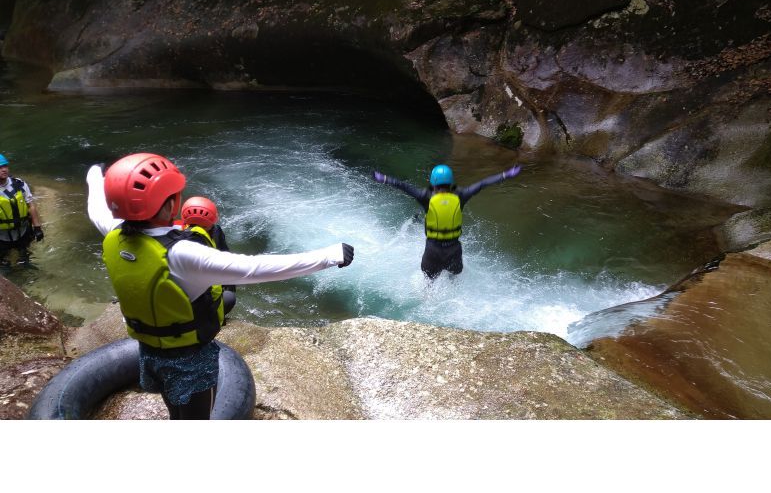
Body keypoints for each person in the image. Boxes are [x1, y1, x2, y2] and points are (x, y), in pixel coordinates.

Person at [87, 152, 354, 420]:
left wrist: (95, 175)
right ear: (170, 203)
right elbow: (255, 269)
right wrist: (330, 256)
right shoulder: (182, 255)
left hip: (149, 353)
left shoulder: (112, 234)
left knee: (175, 410)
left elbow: (96, 207)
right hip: (189, 361)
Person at [371, 163, 521, 279]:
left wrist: (384, 179)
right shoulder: (461, 195)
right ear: (450, 182)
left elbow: (402, 186)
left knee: (429, 282)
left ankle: (427, 302)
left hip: (432, 250)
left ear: (433, 182)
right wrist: (505, 175)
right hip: (453, 249)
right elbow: (482, 184)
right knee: (454, 277)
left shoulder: (425, 196)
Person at [178, 196, 237, 315]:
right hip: (201, 303)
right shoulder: (216, 231)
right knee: (229, 297)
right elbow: (226, 258)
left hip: (178, 301)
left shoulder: (174, 234)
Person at [0, 153, 44, 270]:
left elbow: (31, 206)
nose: (4, 169)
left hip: (22, 231)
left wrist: (37, 228)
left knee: (24, 257)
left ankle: (25, 265)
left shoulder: (19, 184)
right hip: (2, 236)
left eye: (5, 166)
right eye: (0, 167)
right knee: (4, 263)